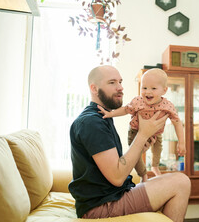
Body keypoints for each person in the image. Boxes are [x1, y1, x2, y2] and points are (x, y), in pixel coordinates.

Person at [69, 65, 191, 222]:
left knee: (171, 181)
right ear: (94, 88)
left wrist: (141, 145)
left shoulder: (101, 117)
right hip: (101, 206)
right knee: (181, 182)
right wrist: (142, 134)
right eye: (112, 82)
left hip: (113, 195)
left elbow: (115, 166)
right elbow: (117, 177)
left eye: (120, 82)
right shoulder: (92, 123)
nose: (120, 88)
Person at [97, 68, 186, 182]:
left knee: (158, 149)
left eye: (153, 88)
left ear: (164, 90)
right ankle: (143, 174)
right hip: (136, 131)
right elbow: (125, 110)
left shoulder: (167, 105)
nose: (148, 92)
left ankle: (155, 166)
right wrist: (111, 114)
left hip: (156, 134)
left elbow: (177, 122)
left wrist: (181, 142)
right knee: (135, 155)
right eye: (144, 88)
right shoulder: (138, 101)